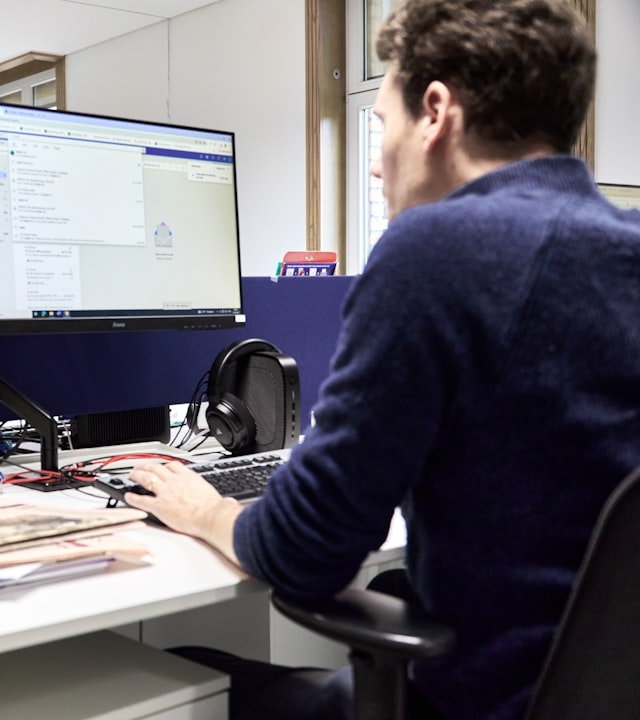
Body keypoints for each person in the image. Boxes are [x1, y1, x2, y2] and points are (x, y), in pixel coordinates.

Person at [125, 1, 640, 718]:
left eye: (380, 124)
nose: (374, 161)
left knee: (175, 674)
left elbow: (306, 549)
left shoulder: (438, 249)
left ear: (435, 112)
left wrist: (206, 509)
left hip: (479, 700)